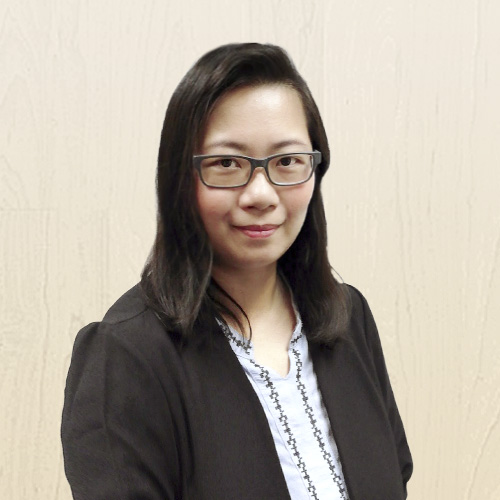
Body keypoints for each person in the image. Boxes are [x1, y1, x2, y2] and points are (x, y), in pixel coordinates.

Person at [61, 43, 413, 500]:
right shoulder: (126, 355)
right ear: (180, 178)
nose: (261, 194)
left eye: (287, 161)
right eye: (227, 163)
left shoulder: (349, 319)